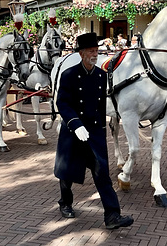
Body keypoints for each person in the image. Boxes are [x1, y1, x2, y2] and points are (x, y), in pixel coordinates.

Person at [54, 32, 134, 230]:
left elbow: (100, 104)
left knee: (102, 174)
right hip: (74, 131)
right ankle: (65, 202)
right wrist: (75, 124)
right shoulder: (69, 75)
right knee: (67, 174)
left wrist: (101, 128)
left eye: (96, 51)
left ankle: (112, 215)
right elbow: (62, 103)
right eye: (91, 51)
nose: (95, 54)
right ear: (81, 53)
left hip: (93, 133)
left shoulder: (101, 75)